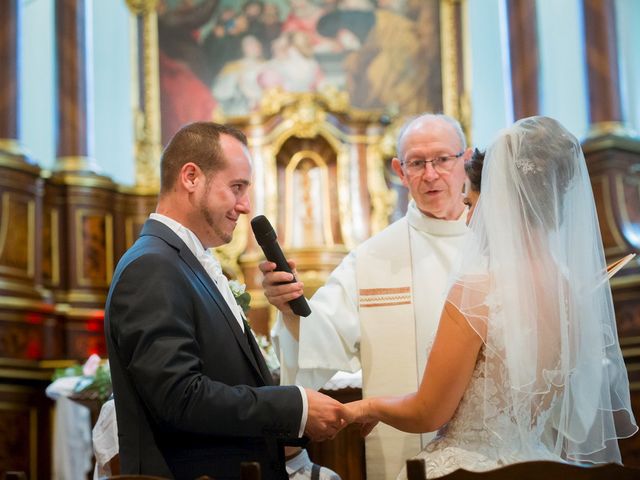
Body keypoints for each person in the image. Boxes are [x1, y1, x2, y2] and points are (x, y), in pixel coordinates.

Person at [344, 116, 638, 478]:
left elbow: (429, 413)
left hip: (468, 469)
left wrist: (367, 408)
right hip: (538, 463)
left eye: (470, 204)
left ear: (499, 202)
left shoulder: (478, 292)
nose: (468, 219)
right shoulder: (571, 292)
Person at [104, 122, 347, 480]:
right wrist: (293, 406)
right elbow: (180, 397)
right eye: (236, 188)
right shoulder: (153, 266)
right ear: (190, 177)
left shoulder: (184, 262)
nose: (245, 206)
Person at [260, 113, 471, 479]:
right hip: (404, 452)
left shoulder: (496, 244)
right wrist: (290, 307)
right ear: (399, 171)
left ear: (465, 160)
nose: (431, 174)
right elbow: (320, 333)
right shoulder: (372, 258)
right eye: (417, 163)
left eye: (442, 159)